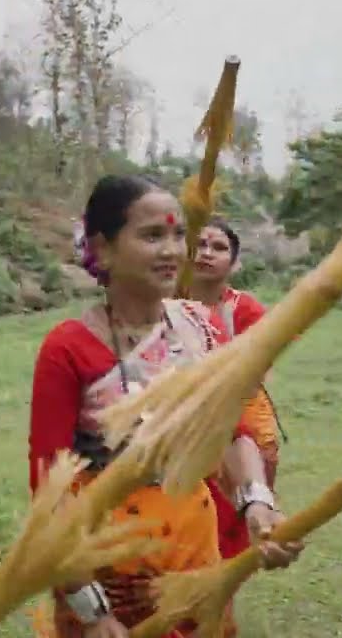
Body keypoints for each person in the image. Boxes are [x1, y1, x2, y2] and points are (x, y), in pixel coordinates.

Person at [30, 176, 304, 638]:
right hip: (107, 557)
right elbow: (48, 488)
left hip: (191, 543)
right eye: (153, 235)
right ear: (103, 248)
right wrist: (91, 609)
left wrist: (258, 504)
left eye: (178, 235)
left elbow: (229, 430)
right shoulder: (68, 348)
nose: (173, 251)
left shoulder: (200, 327)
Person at [188, 218, 286, 563]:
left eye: (218, 248)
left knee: (251, 474)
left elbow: (262, 366)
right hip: (183, 410)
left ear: (234, 262)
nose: (206, 253)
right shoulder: (163, 304)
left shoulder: (244, 309)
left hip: (239, 405)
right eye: (200, 245)